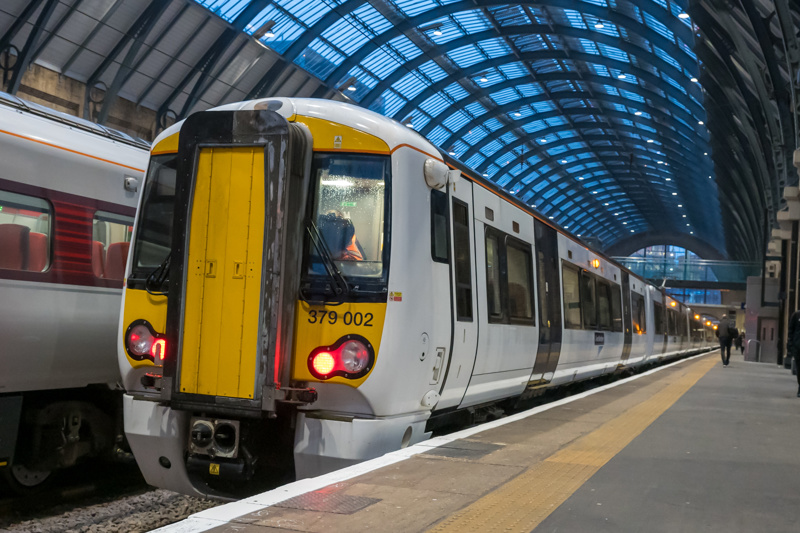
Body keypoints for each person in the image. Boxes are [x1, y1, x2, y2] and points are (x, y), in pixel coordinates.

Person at [787, 309, 800, 397]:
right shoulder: (796, 315)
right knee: (799, 368)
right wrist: (791, 346)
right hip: (798, 348)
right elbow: (790, 331)